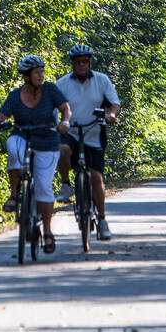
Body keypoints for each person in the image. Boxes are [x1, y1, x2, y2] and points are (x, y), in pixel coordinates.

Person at [0, 54, 72, 253]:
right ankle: (14, 195)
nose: (41, 75)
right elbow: (3, 113)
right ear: (27, 75)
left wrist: (65, 121)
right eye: (37, 72)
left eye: (42, 71)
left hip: (47, 139)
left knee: (44, 188)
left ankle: (48, 232)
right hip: (22, 135)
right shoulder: (15, 95)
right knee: (14, 149)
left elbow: (65, 109)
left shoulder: (51, 90)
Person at [55, 44, 121, 241]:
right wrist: (57, 124)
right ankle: (66, 184)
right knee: (63, 149)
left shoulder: (102, 80)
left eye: (85, 61)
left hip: (93, 131)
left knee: (95, 177)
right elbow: (54, 106)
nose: (81, 65)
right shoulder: (63, 83)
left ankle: (102, 220)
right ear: (72, 64)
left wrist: (111, 115)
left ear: (90, 62)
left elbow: (114, 103)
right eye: (77, 62)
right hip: (72, 131)